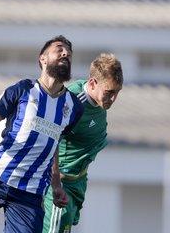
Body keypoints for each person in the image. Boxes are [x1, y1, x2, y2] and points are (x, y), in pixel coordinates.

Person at [0, 35, 84, 233]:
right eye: (59, 49)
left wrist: (56, 185)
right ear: (43, 59)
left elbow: (52, 146)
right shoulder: (22, 90)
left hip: (29, 193)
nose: (66, 54)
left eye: (69, 54)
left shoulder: (73, 107)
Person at [43, 53, 123, 233]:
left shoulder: (98, 101)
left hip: (78, 181)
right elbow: (49, 139)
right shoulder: (71, 102)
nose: (113, 99)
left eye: (117, 92)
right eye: (109, 92)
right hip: (60, 183)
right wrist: (56, 183)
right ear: (93, 83)